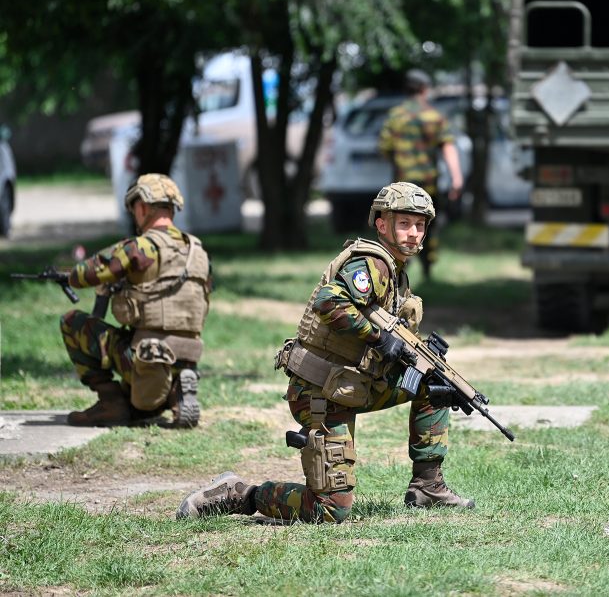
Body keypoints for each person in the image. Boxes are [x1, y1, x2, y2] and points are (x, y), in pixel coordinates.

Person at [176, 182, 473, 523]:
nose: (413, 233)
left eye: (420, 225)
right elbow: (329, 301)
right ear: (381, 224)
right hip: (320, 391)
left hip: (352, 384)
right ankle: (238, 493)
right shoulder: (372, 263)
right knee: (330, 510)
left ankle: (427, 487)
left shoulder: (396, 274)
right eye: (404, 223)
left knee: (433, 383)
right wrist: (379, 337)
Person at [59, 173, 211, 428]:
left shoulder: (139, 247)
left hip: (145, 355)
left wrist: (68, 275)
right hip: (187, 354)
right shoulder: (198, 252)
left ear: (142, 207)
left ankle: (110, 403)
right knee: (146, 358)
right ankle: (176, 391)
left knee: (72, 322)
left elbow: (86, 273)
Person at [377, 69, 463, 279]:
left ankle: (396, 268)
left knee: (400, 224)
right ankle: (428, 269)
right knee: (425, 224)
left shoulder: (395, 115)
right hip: (428, 183)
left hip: (402, 183)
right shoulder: (434, 116)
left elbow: (384, 147)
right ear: (425, 89)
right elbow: (448, 147)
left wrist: (398, 162)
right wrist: (456, 178)